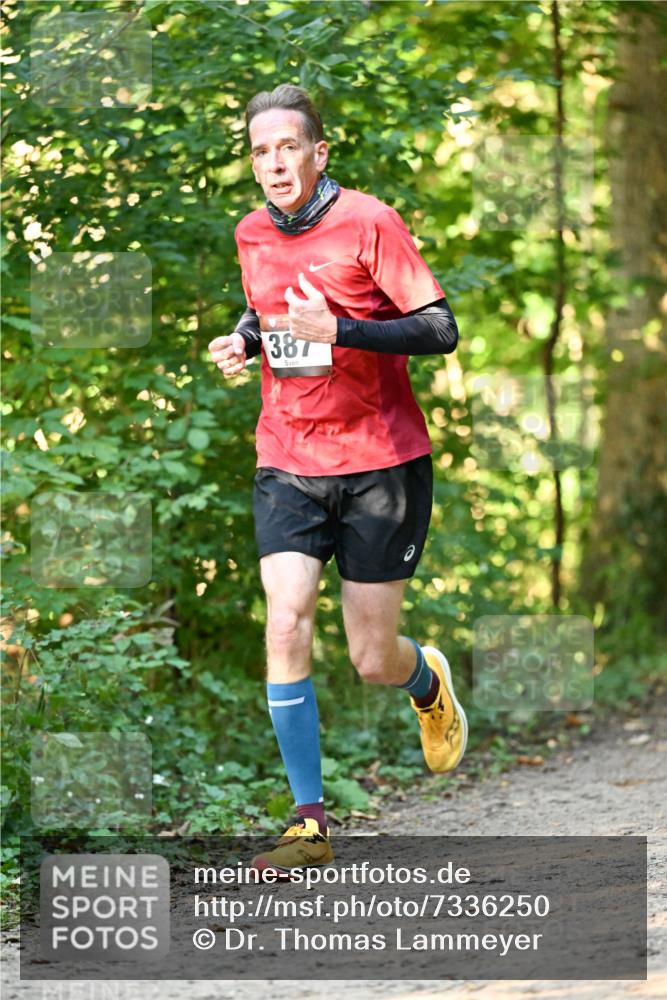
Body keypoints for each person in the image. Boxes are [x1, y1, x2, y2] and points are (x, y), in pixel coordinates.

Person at [208, 84, 467, 877]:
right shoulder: (253, 232)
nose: (274, 162)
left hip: (381, 460)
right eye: (260, 151)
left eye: (288, 146)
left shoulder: (370, 221)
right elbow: (268, 312)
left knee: (368, 657)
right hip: (288, 455)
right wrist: (244, 341)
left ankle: (424, 678)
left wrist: (343, 329)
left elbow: (439, 327)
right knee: (284, 624)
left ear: (319, 152)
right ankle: (308, 823)